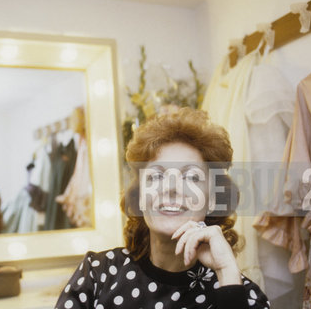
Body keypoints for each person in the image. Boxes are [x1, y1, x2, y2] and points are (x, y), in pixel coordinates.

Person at [55, 108, 270, 308]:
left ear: (212, 199)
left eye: (191, 177)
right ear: (140, 196)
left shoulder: (245, 295)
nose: (172, 188)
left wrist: (227, 273)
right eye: (157, 176)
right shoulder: (96, 275)